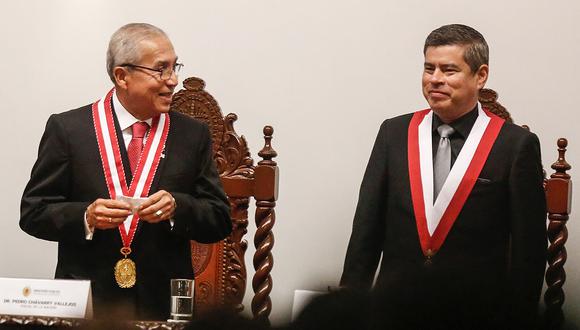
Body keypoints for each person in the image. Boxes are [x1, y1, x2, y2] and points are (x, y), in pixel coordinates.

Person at [20, 23, 232, 320]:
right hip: (89, 306)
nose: (173, 80)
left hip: (162, 306)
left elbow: (220, 219)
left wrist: (177, 207)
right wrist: (86, 216)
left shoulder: (192, 134)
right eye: (161, 69)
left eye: (174, 67)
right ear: (122, 76)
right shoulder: (68, 130)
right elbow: (33, 213)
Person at [340, 24, 546, 329]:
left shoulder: (515, 145)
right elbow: (366, 231)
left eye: (449, 70)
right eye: (429, 68)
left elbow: (529, 252)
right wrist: (348, 309)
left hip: (477, 313)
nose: (435, 79)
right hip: (394, 310)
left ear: (481, 75)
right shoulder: (393, 133)